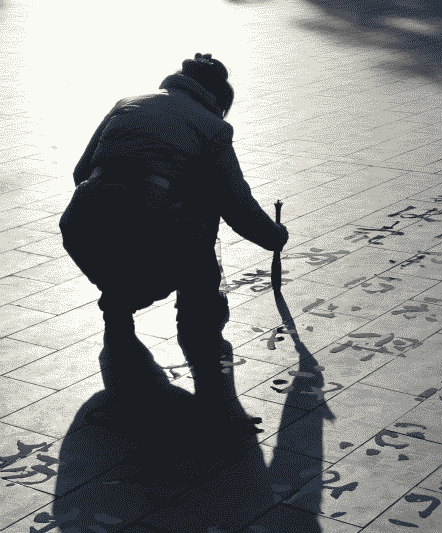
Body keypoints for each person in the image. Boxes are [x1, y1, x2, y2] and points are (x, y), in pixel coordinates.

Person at [60, 53, 288, 431]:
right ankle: (203, 352)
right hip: (154, 232)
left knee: (126, 260)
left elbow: (80, 171)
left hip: (83, 225)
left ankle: (118, 317)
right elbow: (236, 203)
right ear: (218, 98)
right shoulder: (212, 127)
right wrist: (274, 237)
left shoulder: (129, 103)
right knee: (195, 264)